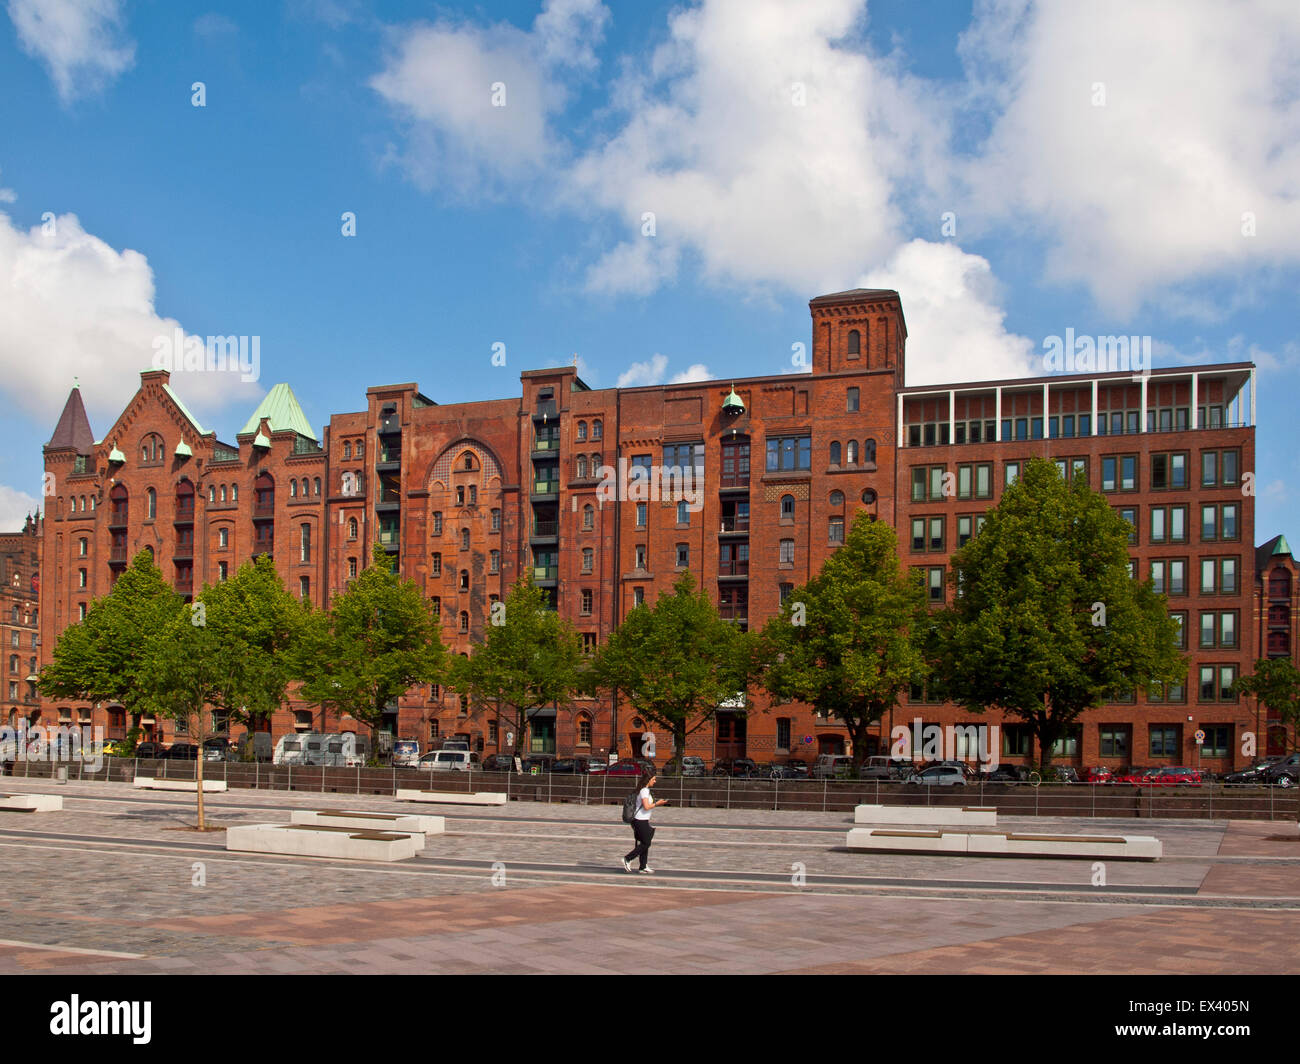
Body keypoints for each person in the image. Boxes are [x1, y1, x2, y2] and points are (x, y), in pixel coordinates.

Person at [622, 769, 667, 874]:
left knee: (644, 842)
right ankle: (627, 858)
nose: (655, 781)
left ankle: (643, 866)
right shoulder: (644, 791)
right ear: (649, 780)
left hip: (643, 820)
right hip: (639, 820)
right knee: (646, 843)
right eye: (654, 779)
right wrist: (657, 803)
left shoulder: (644, 790)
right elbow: (646, 807)